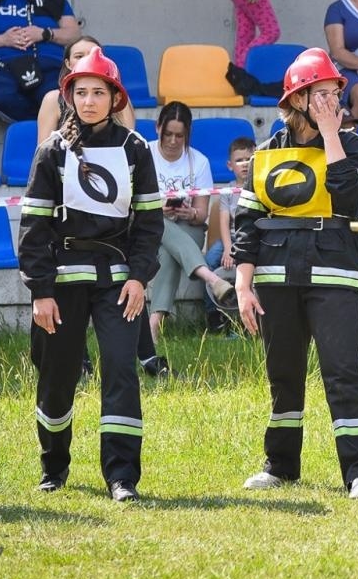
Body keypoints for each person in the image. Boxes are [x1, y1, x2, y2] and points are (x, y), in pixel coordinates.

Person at [233, 48, 358, 497]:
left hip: (334, 269)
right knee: (284, 372)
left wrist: (332, 136)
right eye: (320, 95)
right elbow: (246, 221)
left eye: (334, 93)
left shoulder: (353, 145)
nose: (331, 101)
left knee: (343, 372)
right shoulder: (266, 152)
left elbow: (352, 200)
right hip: (277, 274)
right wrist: (243, 282)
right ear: (296, 100)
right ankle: (280, 465)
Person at [19, 49, 163, 501]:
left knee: (121, 370)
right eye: (80, 92)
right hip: (61, 283)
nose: (89, 101)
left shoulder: (136, 150)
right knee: (58, 376)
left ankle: (122, 478)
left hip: (118, 282)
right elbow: (32, 227)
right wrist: (41, 291)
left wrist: (139, 277)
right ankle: (53, 467)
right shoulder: (51, 152)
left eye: (98, 92)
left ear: (115, 98)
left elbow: (149, 223)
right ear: (70, 97)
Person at [145, 101, 238, 350]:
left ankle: (153, 324)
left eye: (180, 136)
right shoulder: (144, 154)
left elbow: (201, 215)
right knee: (159, 226)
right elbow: (133, 206)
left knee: (169, 250)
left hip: (188, 228)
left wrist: (188, 211)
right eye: (168, 134)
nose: (174, 141)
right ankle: (211, 278)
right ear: (158, 128)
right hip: (149, 227)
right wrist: (157, 208)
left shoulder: (199, 162)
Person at [37, 35, 137, 144]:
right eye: (79, 56)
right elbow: (43, 151)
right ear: (68, 63)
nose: (87, 60)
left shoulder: (118, 95)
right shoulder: (53, 99)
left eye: (98, 93)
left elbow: (129, 144)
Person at [204, 136, 255, 333]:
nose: (244, 164)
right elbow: (224, 221)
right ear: (229, 165)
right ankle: (214, 315)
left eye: (248, 159)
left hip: (253, 238)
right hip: (232, 238)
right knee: (209, 260)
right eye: (239, 160)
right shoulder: (227, 190)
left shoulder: (259, 186)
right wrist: (227, 248)